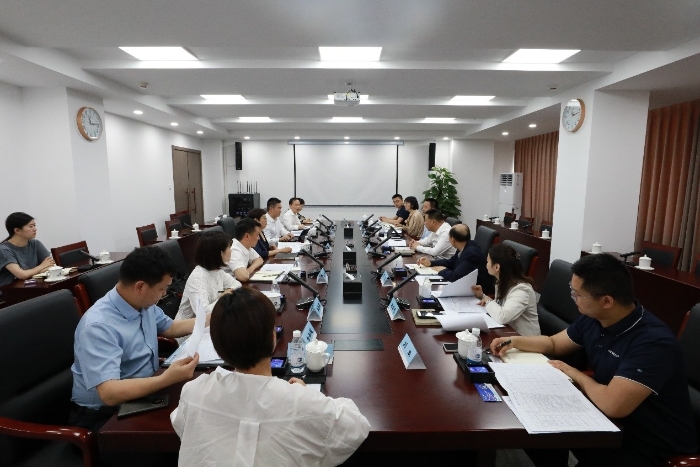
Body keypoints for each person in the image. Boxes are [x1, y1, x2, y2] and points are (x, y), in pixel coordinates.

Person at [490, 253, 697, 466]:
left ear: (607, 301)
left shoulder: (652, 342)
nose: (573, 298)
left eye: (577, 294)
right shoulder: (595, 319)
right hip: (606, 423)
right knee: (536, 431)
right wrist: (514, 341)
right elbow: (553, 343)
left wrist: (576, 374)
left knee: (544, 436)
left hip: (647, 444)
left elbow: (613, 405)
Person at [171, 288, 370, 466]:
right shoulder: (302, 402)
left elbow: (182, 424)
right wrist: (308, 394)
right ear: (273, 337)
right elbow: (356, 427)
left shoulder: (194, 392)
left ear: (217, 346)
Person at [71, 246, 205, 431]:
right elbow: (109, 393)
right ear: (140, 287)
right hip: (105, 414)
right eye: (162, 289)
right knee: (185, 430)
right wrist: (166, 379)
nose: (164, 294)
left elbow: (171, 328)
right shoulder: (98, 326)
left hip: (145, 390)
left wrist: (212, 318)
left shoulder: (141, 303)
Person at [470, 244, 539, 336]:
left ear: (497, 267)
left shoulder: (522, 290)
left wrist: (488, 300)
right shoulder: (502, 281)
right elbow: (499, 305)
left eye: (488, 261)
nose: (486, 265)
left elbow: (502, 317)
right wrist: (482, 296)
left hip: (526, 340)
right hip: (508, 333)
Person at [174, 230, 241, 324]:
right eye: (229, 247)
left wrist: (226, 293)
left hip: (212, 321)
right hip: (190, 329)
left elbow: (237, 284)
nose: (231, 251)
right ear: (220, 253)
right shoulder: (198, 278)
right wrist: (223, 297)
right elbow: (203, 313)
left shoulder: (217, 270)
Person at [418, 224, 492, 293]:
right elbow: (451, 262)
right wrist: (431, 263)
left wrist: (441, 270)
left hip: (479, 292)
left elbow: (454, 277)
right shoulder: (464, 246)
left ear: (452, 239)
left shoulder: (471, 253)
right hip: (466, 285)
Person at [0, 212, 54, 288]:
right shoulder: (4, 250)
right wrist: (41, 266)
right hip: (11, 290)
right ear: (17, 230)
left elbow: (50, 265)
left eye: (34, 225)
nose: (35, 229)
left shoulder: (35, 243)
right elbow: (22, 275)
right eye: (31, 226)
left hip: (34, 285)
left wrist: (30, 273)